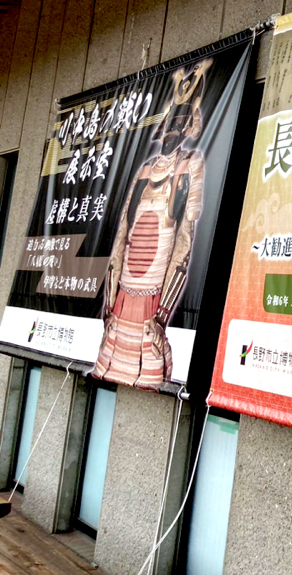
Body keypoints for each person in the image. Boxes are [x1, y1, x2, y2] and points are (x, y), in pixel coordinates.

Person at [92, 61, 208, 388]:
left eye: (180, 123)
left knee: (148, 365)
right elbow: (122, 233)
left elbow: (184, 240)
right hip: (124, 287)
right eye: (171, 122)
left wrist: (163, 312)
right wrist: (110, 297)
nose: (173, 130)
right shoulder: (144, 170)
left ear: (188, 127)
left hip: (155, 289)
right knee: (111, 360)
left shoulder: (190, 164)